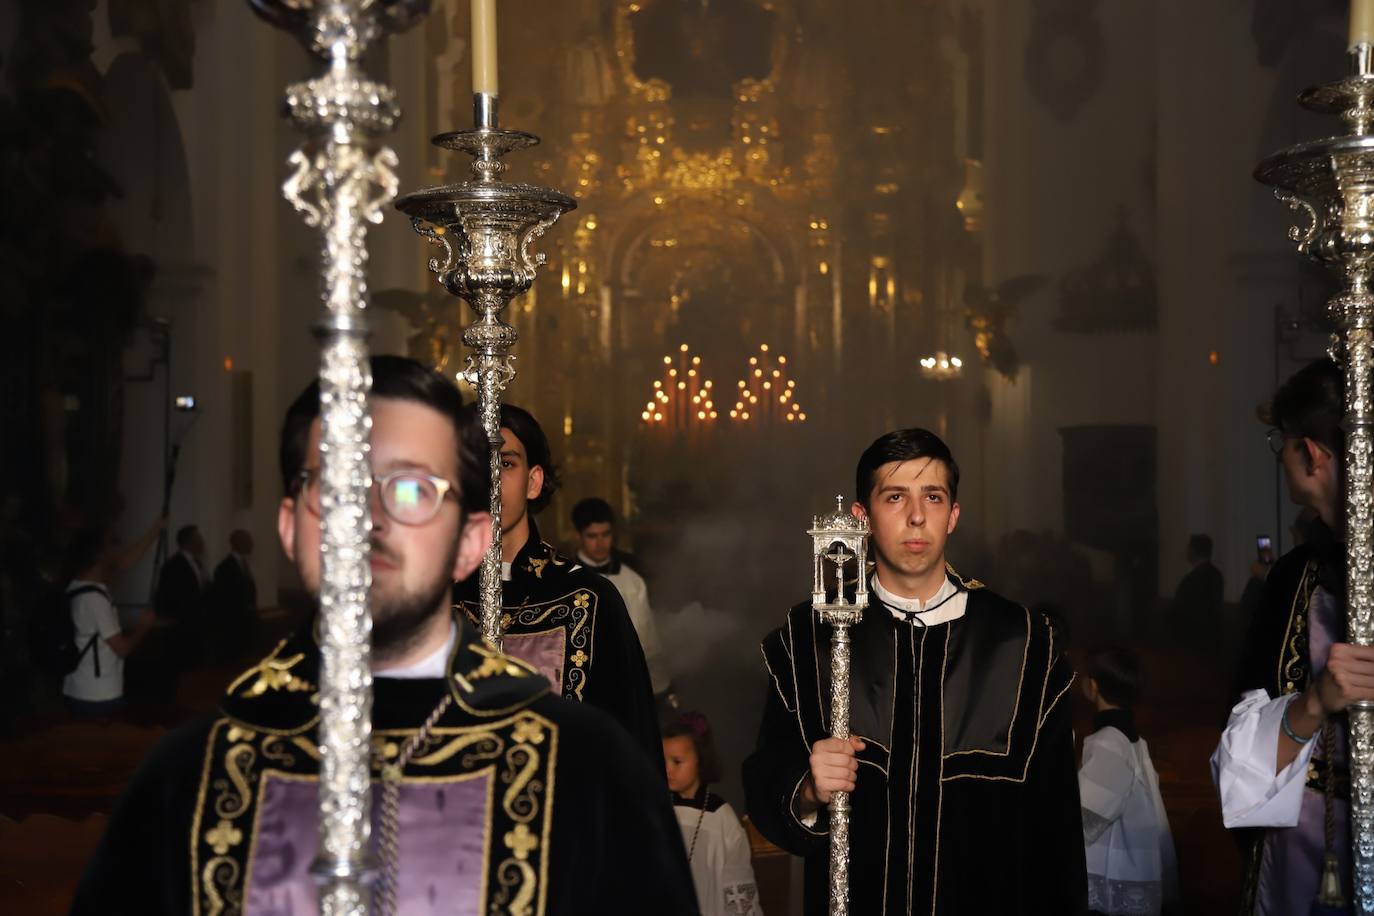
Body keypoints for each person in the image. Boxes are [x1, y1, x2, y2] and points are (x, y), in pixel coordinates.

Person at [70, 356, 697, 914]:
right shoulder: (187, 782)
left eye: (412, 488)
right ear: (289, 527)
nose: (370, 518)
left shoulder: (594, 777)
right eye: (339, 484)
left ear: (470, 537)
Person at [743, 427, 1086, 915]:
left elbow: (1057, 835)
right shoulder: (810, 639)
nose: (917, 515)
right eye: (895, 497)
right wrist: (807, 790)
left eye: (933, 496)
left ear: (953, 516)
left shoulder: (1022, 644)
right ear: (862, 517)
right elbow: (764, 781)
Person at [1212, 358, 1374, 914]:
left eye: (1279, 442)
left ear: (1310, 454)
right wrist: (1315, 702)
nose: (1279, 456)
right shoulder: (1293, 578)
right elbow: (1239, 758)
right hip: (1305, 849)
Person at [454, 403, 663, 768]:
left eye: (505, 463)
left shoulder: (588, 600)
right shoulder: (431, 601)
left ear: (534, 481)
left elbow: (631, 751)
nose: (489, 480)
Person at [1078, 647, 1178, 916]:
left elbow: (1087, 818)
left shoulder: (1109, 742)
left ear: (1093, 685)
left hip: (1116, 878)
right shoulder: (1133, 740)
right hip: (1137, 868)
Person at [664, 710, 764, 916]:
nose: (667, 770)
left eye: (677, 761)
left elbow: (737, 886)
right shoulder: (657, 809)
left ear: (700, 760)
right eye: (663, 761)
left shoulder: (721, 817)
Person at [572, 496, 671, 699]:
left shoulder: (633, 580)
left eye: (606, 534)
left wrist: (658, 689)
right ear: (578, 536)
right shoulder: (567, 579)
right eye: (592, 536)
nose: (600, 543)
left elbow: (647, 639)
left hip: (628, 682)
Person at [60, 525, 156, 717]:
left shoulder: (75, 587)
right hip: (99, 692)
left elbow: (124, 564)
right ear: (99, 554)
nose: (118, 549)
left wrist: (155, 529)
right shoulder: (95, 599)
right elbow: (122, 649)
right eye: (113, 544)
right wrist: (143, 627)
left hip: (78, 686)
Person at [209, 528, 257, 659]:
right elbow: (223, 598)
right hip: (232, 625)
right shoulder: (225, 567)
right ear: (237, 543)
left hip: (245, 624)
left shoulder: (244, 565)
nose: (251, 544)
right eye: (248, 540)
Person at [1171, 533, 1224, 630]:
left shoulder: (1192, 579)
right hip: (1212, 630)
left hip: (1193, 630)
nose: (1186, 551)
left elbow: (1181, 607)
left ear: (1193, 551)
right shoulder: (1217, 575)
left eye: (1188, 548)